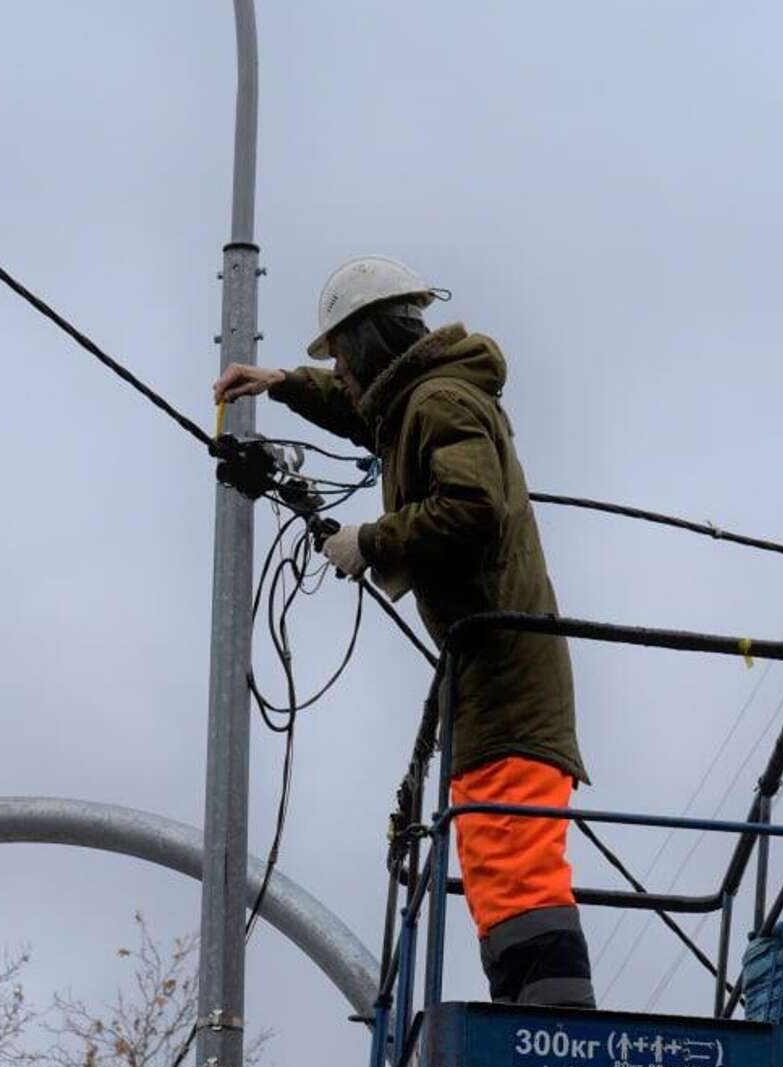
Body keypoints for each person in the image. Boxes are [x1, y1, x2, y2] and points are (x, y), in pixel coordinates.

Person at [212, 256, 595, 1009]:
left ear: (365, 348)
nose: (343, 380)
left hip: (507, 669)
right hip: (488, 670)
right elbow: (369, 415)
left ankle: (553, 1037)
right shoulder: (417, 401)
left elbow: (470, 506)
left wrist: (373, 540)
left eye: (341, 362)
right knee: (490, 850)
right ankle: (530, 1022)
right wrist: (283, 383)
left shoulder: (442, 401)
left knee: (512, 852)